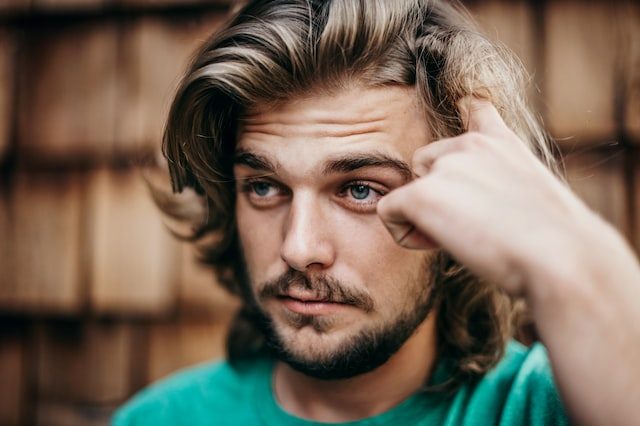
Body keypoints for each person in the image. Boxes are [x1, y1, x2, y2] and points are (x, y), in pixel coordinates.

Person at [114, 0, 640, 425]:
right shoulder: (158, 417)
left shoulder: (551, 407)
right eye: (265, 186)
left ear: (464, 202)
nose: (299, 248)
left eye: (360, 190)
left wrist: (566, 250)